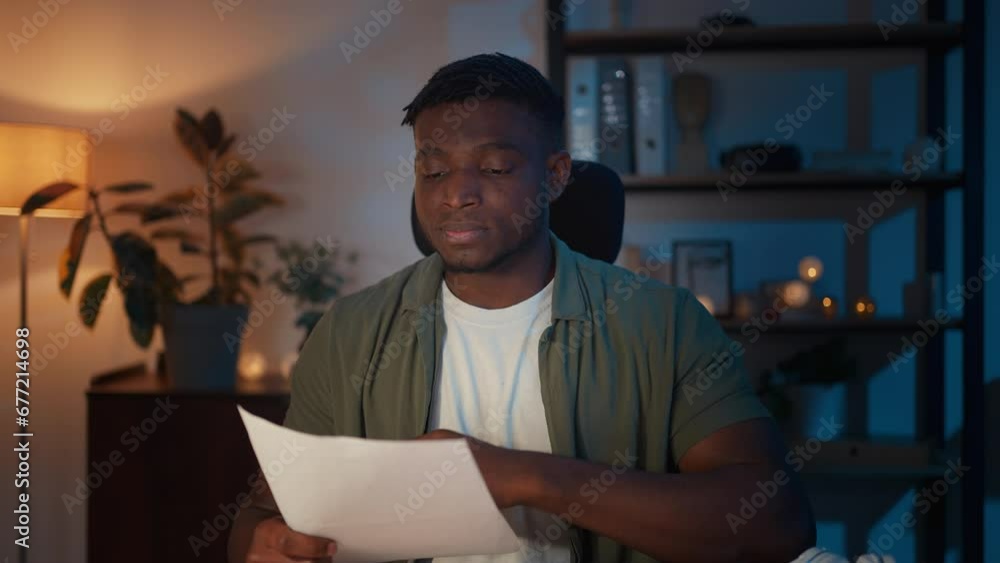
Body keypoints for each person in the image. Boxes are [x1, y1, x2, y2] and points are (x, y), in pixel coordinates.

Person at [229, 52, 815, 563]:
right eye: (432, 170)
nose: (455, 192)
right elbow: (258, 518)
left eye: (494, 168)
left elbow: (775, 526)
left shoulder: (664, 323)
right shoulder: (351, 332)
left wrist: (522, 475)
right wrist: (263, 542)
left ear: (555, 176)